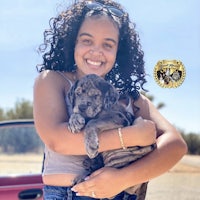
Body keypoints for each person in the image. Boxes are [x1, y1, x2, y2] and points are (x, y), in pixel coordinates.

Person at [33, 0, 187, 199]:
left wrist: (122, 179)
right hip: (69, 194)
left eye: (108, 44)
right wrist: (132, 136)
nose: (96, 51)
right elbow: (58, 141)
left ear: (118, 52)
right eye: (87, 40)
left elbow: (176, 146)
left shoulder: (131, 98)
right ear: (73, 42)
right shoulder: (53, 80)